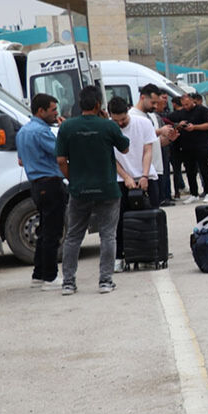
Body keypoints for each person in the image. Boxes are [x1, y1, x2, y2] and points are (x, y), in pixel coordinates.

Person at [55, 86, 129, 296]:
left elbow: (61, 160)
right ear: (98, 104)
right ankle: (105, 281)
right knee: (108, 235)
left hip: (79, 190)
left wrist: (73, 179)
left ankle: (68, 283)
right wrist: (108, 122)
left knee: (73, 236)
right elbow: (124, 148)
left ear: (80, 104)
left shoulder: (67, 127)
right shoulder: (108, 126)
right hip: (107, 189)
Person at [15, 93, 67, 289]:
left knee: (44, 229)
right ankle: (50, 277)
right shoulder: (41, 132)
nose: (56, 114)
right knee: (53, 231)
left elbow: (21, 160)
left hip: (36, 185)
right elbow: (60, 153)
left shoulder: (23, 132)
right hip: (50, 183)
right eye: (53, 110)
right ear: (40, 111)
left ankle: (39, 273)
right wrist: (64, 131)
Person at [109, 96, 156, 267]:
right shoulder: (108, 128)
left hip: (146, 176)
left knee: (148, 219)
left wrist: (144, 175)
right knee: (119, 221)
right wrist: (126, 177)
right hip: (120, 179)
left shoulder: (143, 123)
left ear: (128, 111)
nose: (120, 123)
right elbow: (110, 157)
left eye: (123, 119)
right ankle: (120, 256)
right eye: (116, 121)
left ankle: (149, 255)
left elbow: (148, 150)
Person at [169, 92, 208, 201]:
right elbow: (173, 123)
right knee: (190, 171)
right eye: (183, 105)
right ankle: (194, 193)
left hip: (200, 144)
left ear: (192, 101)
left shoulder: (202, 110)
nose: (186, 107)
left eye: (187, 104)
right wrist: (179, 125)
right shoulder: (181, 113)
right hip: (186, 146)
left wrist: (194, 127)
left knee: (204, 169)